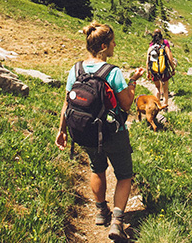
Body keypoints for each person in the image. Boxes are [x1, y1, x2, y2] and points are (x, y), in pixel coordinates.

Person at [55, 21, 144, 241]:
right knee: (124, 175)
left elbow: (67, 103)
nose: (115, 46)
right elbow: (126, 104)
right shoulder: (112, 72)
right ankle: (117, 221)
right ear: (104, 46)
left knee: (97, 169)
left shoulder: (76, 69)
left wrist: (62, 130)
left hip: (85, 132)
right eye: (113, 42)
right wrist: (132, 81)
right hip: (113, 132)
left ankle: (100, 211)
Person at [146, 29, 176, 107]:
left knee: (157, 88)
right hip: (164, 70)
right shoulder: (164, 47)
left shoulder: (150, 48)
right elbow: (169, 59)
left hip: (154, 71)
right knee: (165, 89)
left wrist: (148, 73)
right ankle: (165, 105)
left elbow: (147, 61)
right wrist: (173, 69)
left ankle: (157, 105)